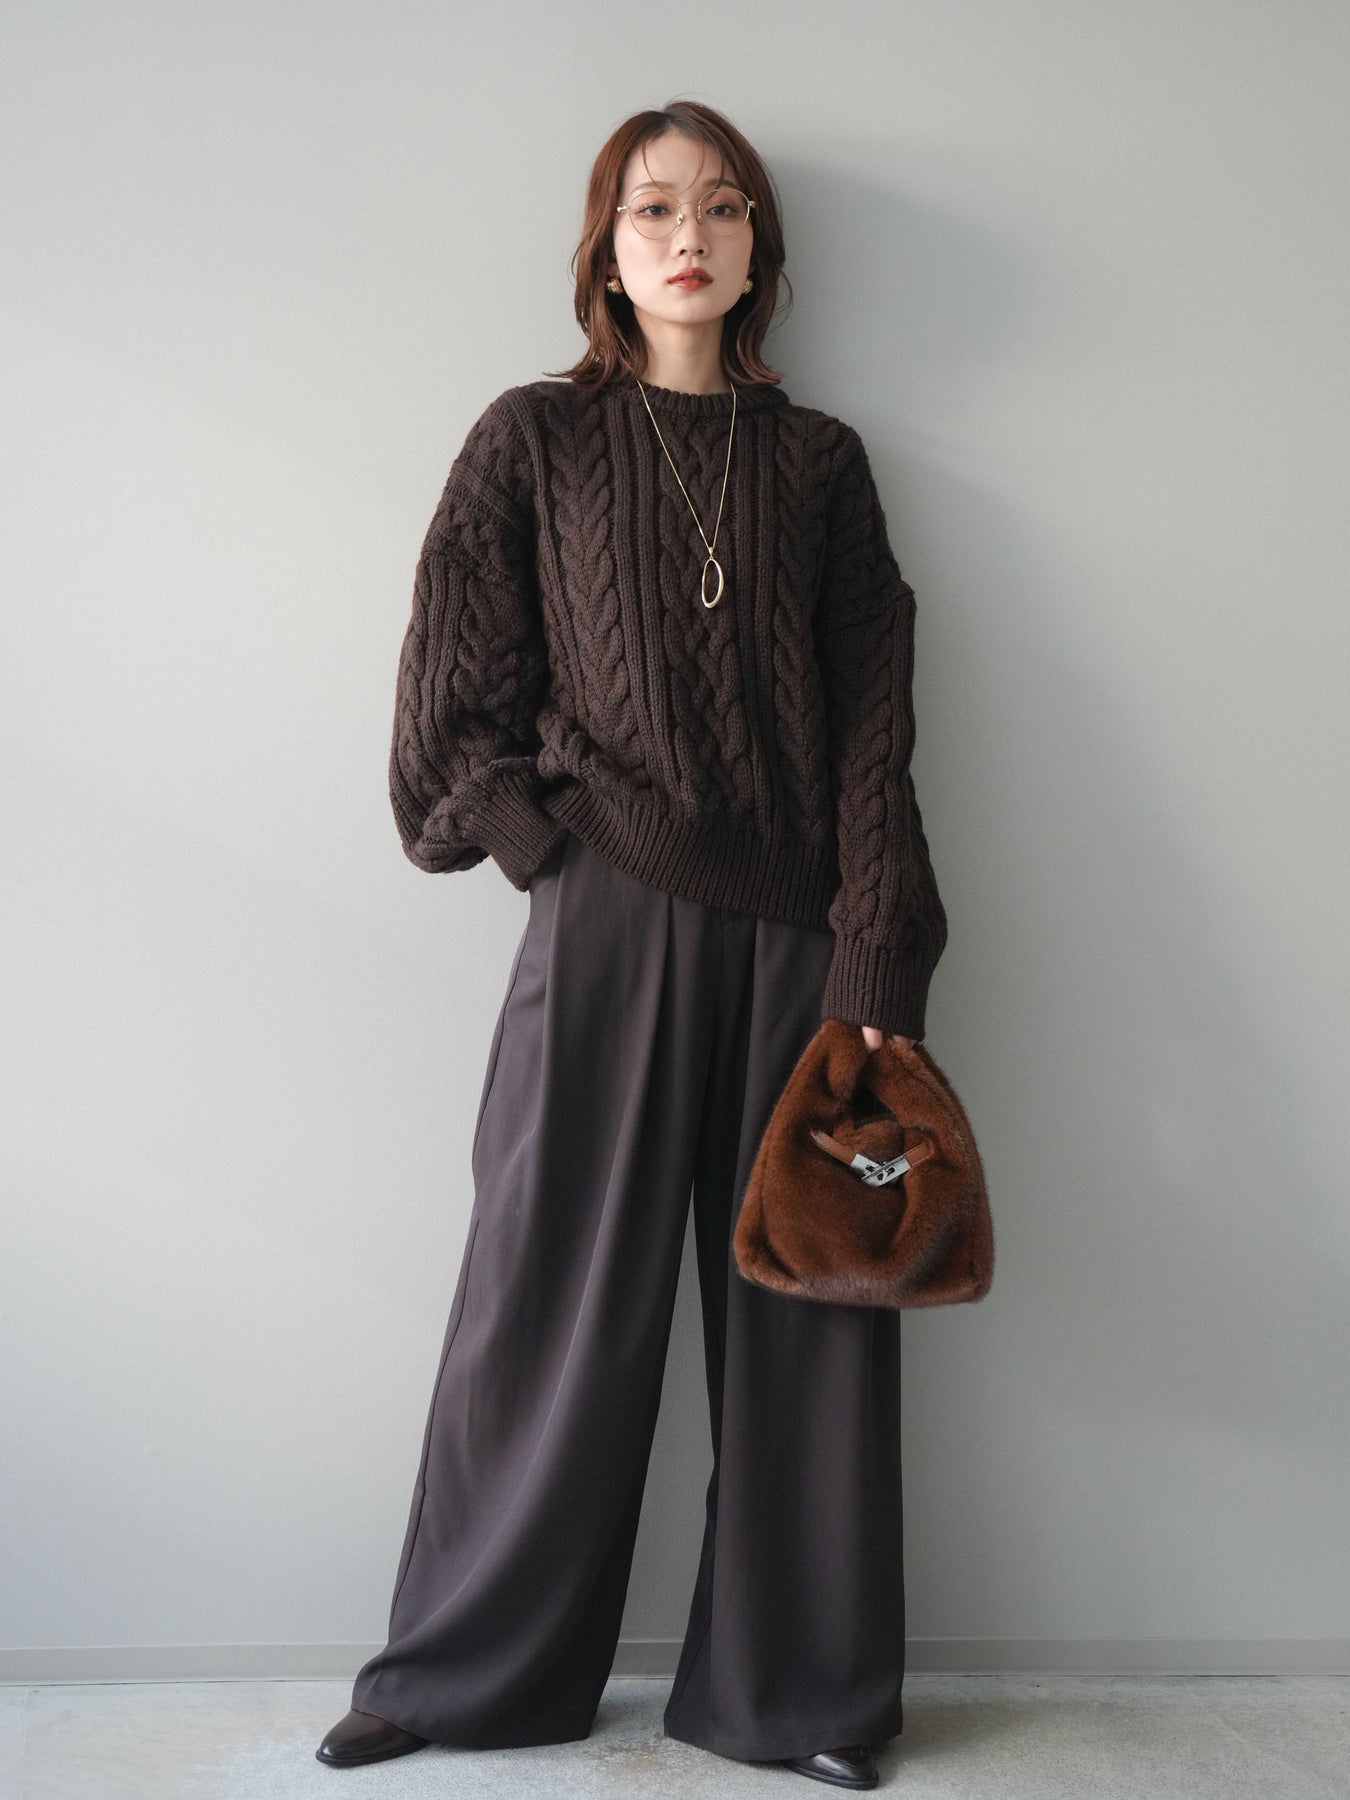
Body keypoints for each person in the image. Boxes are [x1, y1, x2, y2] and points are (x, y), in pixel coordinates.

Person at [316, 98, 947, 1792]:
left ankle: (801, 1698)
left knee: (813, 1308)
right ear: (604, 247)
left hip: (799, 944)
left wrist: (875, 961)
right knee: (544, 1298)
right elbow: (447, 696)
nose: (690, 235)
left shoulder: (822, 466)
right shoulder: (532, 438)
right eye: (655, 206)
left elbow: (875, 731)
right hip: (603, 922)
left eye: (724, 209)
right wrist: (545, 850)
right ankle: (461, 1675)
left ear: (759, 252)